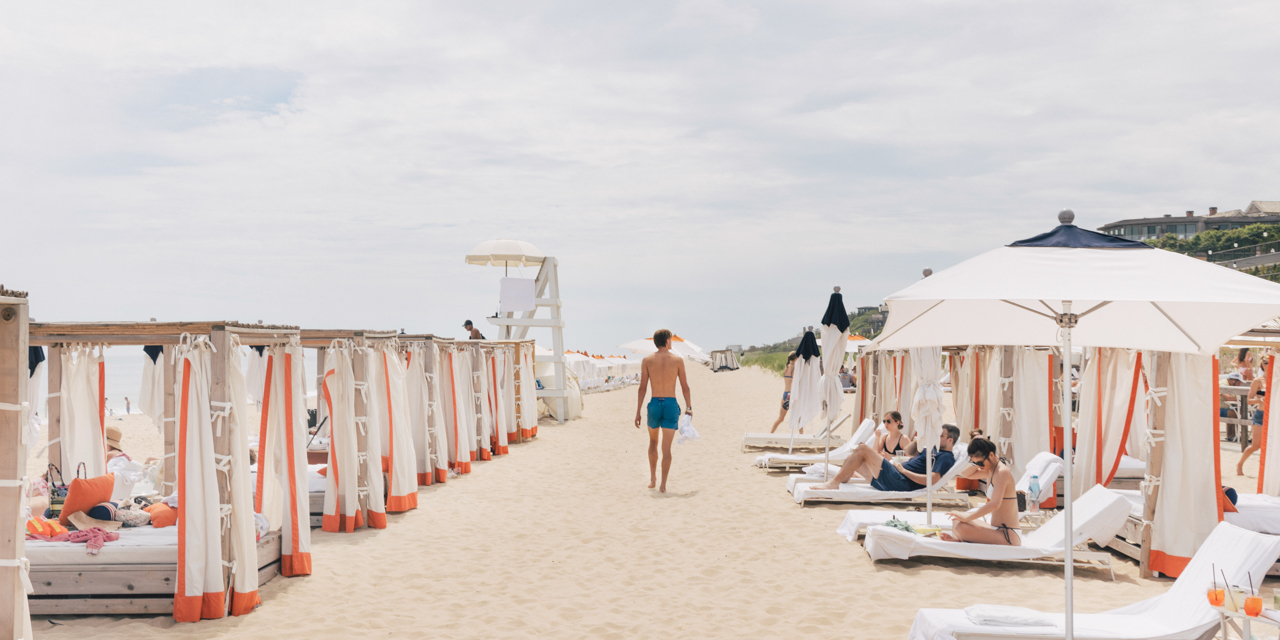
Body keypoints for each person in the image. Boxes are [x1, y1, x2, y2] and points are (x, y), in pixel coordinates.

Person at [806, 424, 959, 492]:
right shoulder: (933, 448)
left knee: (862, 449)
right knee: (854, 455)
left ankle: (834, 482)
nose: (937, 437)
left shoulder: (946, 457)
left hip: (900, 480)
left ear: (950, 440)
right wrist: (922, 438)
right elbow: (909, 451)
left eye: (940, 435)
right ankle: (842, 479)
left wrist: (904, 472)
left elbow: (931, 480)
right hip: (893, 477)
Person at [634, 329, 692, 493]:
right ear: (667, 341)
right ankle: (663, 486)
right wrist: (689, 407)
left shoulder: (647, 360)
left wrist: (638, 411)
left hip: (654, 404)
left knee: (653, 442)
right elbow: (685, 387)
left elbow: (642, 388)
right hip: (671, 404)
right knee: (666, 449)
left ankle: (652, 479)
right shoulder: (678, 360)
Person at [940, 437, 1021, 546]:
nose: (979, 467)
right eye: (975, 463)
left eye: (980, 463)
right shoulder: (991, 469)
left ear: (991, 455)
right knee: (956, 520)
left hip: (1008, 534)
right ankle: (962, 540)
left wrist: (968, 517)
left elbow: (995, 504)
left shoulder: (1002, 472)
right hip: (997, 529)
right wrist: (977, 462)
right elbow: (966, 474)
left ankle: (961, 540)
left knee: (961, 526)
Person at [1240, 359, 1269, 475]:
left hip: (1274, 416)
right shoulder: (1258, 381)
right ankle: (1240, 464)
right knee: (1256, 446)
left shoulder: (1276, 379)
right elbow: (1249, 400)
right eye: (1268, 363)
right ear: (1263, 365)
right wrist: (1260, 399)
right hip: (1261, 415)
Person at [768, 353, 799, 433]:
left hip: (785, 393)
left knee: (780, 418)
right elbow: (794, 383)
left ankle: (770, 433)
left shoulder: (787, 367)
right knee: (799, 418)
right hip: (791, 394)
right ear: (796, 358)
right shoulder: (794, 368)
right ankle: (801, 435)